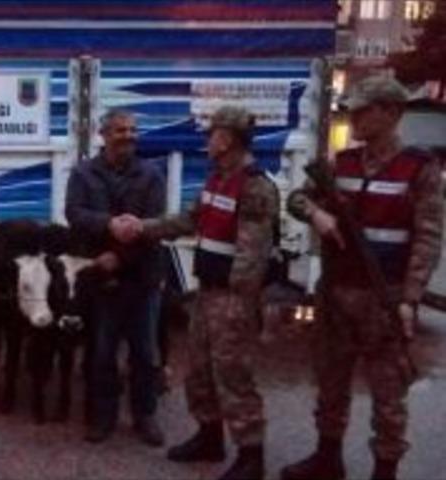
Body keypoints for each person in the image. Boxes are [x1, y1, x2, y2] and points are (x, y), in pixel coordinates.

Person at [280, 76, 443, 480]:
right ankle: (327, 458)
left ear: (391, 113)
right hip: (336, 293)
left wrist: (409, 299)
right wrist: (317, 213)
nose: (353, 116)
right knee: (331, 382)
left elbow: (428, 238)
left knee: (389, 394)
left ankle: (384, 469)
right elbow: (297, 198)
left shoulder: (418, 168)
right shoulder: (343, 163)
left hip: (383, 296)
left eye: (363, 110)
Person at [139, 105, 278, 480]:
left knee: (233, 374)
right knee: (199, 370)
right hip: (208, 294)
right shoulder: (218, 179)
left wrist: (239, 307)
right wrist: (142, 227)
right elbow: (188, 221)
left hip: (232, 298)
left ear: (229, 138)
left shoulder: (254, 186)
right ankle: (209, 436)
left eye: (212, 132)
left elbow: (252, 255)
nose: (207, 138)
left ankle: (251, 455)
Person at [64, 108, 166, 446]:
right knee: (102, 352)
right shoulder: (83, 174)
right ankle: (102, 417)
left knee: (145, 353)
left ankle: (145, 415)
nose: (129, 136)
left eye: (133, 130)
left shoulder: (151, 175)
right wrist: (108, 224)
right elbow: (74, 214)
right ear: (103, 134)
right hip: (101, 280)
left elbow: (156, 224)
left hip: (142, 278)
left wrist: (117, 257)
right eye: (121, 129)